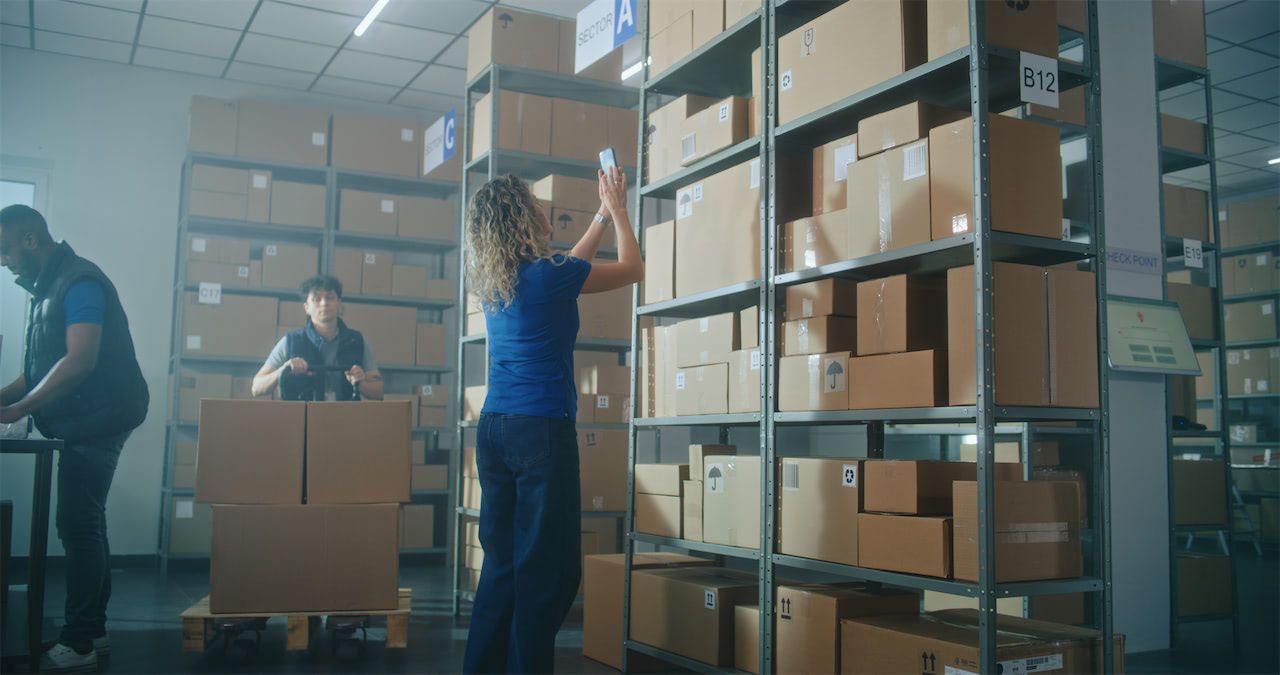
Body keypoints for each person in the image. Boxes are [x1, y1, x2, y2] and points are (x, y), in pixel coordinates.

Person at [463, 165, 642, 674]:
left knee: (502, 565)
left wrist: (602, 215)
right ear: (521, 217)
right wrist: (623, 212)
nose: (544, 209)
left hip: (495, 429)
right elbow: (632, 269)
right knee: (549, 573)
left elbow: (570, 267)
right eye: (535, 202)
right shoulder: (548, 276)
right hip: (539, 432)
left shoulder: (502, 281)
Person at [0, 204, 149, 673]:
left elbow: (80, 361)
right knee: (87, 522)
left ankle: (80, 640)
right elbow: (40, 369)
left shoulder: (80, 281)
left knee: (78, 524)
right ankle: (94, 630)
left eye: (4, 250)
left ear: (30, 239)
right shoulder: (46, 290)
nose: (3, 262)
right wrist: (4, 397)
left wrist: (20, 409)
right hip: (86, 417)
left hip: (103, 417)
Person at [252, 275, 384, 401]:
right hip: (301, 419)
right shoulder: (290, 342)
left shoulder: (356, 341)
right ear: (306, 308)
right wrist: (283, 370)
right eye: (316, 299)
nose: (324, 303)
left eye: (330, 297)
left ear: (339, 304)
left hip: (346, 419)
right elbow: (256, 388)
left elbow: (378, 392)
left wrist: (360, 383)